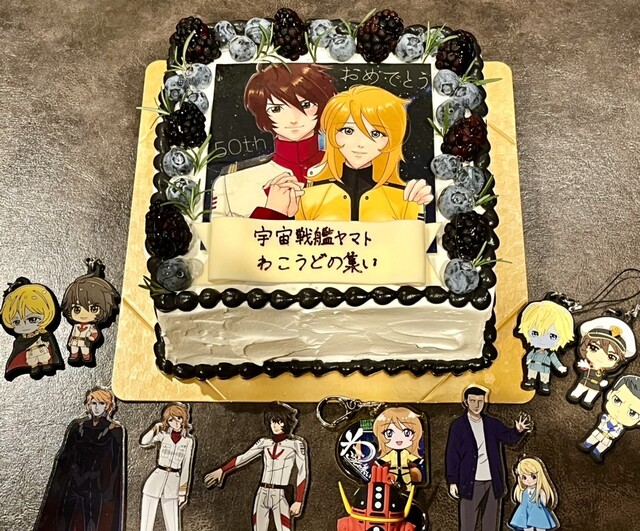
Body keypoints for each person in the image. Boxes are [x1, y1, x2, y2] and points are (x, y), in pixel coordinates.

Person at [261, 85, 433, 221]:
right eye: (348, 131)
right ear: (332, 134)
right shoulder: (310, 195)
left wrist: (417, 210)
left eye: (376, 134)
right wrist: (278, 215)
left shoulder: (403, 198)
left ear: (392, 140)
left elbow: (410, 250)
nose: (360, 144)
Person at [210, 63, 338, 219]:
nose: (293, 118)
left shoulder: (350, 171)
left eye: (305, 105)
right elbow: (218, 234)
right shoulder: (231, 182)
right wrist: (271, 213)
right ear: (264, 113)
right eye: (276, 109)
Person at [204, 402, 308, 531]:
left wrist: (299, 500)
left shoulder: (296, 444)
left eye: (279, 421)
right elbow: (243, 457)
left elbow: (302, 472)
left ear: (287, 422)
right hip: (262, 492)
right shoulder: (264, 442)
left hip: (281, 494)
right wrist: (222, 470)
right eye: (272, 421)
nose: (275, 425)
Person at [34, 387, 125, 531]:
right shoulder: (78, 427)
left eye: (101, 403)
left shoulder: (114, 430)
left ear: (108, 406)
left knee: (92, 523)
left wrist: (110, 489)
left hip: (95, 484)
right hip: (73, 481)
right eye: (94, 403)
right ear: (88, 405)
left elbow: (115, 464)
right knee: (63, 520)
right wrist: (58, 481)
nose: (97, 407)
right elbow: (65, 455)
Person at [445, 385, 532, 531]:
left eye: (480, 401)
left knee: (491, 526)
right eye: (473, 401)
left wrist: (518, 430)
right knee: (467, 526)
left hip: (492, 483)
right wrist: (452, 481)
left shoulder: (492, 424)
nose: (477, 405)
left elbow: (508, 438)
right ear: (466, 402)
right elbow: (452, 455)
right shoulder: (458, 426)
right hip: (470, 484)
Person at [140, 402, 195, 531]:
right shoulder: (163, 436)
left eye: (178, 418)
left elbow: (186, 467)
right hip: (155, 480)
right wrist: (155, 428)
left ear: (184, 419)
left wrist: (183, 493)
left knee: (173, 526)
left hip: (173, 483)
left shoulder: (188, 441)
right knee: (146, 524)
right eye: (171, 420)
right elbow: (144, 442)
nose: (175, 423)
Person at [1, 277, 63, 380]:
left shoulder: (44, 333)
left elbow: (51, 345)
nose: (24, 326)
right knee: (32, 359)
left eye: (32, 319)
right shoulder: (20, 339)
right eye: (16, 322)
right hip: (30, 353)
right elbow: (18, 349)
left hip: (42, 349)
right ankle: (34, 367)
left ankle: (46, 364)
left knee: (43, 356)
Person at [568, 317, 636, 408]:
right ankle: (575, 395)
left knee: (592, 393)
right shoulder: (588, 365)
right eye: (594, 348)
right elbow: (581, 367)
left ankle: (588, 400)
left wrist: (603, 383)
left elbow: (603, 377)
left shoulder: (603, 371)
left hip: (596, 386)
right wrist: (583, 366)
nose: (600, 357)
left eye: (611, 357)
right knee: (580, 388)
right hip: (585, 381)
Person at [61, 258, 120, 364]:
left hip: (86, 342)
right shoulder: (76, 326)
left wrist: (91, 338)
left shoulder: (92, 327)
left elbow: (95, 334)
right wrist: (70, 341)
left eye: (93, 309)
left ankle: (86, 356)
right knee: (74, 349)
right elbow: (72, 334)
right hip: (75, 341)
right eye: (77, 309)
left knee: (85, 350)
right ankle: (74, 355)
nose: (84, 314)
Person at [517, 300, 574, 394]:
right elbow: (529, 356)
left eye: (552, 336)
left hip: (545, 367)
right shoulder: (533, 351)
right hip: (533, 365)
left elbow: (555, 361)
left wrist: (560, 367)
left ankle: (544, 385)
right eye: (535, 333)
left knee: (544, 378)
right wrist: (528, 361)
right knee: (531, 375)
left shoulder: (550, 353)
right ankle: (530, 381)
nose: (542, 340)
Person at [579, 374, 640, 461]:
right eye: (617, 400)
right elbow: (603, 423)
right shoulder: (605, 417)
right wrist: (610, 425)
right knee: (593, 437)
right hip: (599, 432)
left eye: (632, 413)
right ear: (610, 394)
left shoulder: (621, 427)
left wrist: (613, 430)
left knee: (603, 445)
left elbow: (616, 434)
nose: (620, 412)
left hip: (609, 439)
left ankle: (597, 452)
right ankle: (587, 444)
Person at [373, 407, 425, 487]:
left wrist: (420, 461)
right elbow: (384, 459)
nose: (398, 438)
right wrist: (377, 463)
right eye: (389, 433)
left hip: (405, 472)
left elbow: (413, 458)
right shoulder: (391, 453)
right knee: (390, 486)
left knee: (408, 484)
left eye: (407, 433)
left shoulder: (406, 452)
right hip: (393, 472)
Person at [508, 457, 559, 531]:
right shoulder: (524, 492)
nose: (529, 480)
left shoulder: (540, 491)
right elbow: (522, 501)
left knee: (540, 527)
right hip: (525, 513)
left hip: (538, 512)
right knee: (527, 527)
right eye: (524, 477)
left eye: (533, 476)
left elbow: (544, 502)